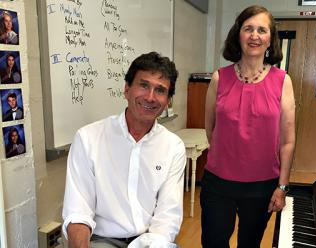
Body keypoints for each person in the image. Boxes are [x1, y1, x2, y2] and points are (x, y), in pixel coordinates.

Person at [62, 52, 186, 248]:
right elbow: (78, 212)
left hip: (150, 240)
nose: (150, 97)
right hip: (101, 240)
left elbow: (167, 216)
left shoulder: (173, 147)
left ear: (168, 101)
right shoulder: (88, 138)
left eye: (160, 90)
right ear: (127, 89)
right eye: (143, 85)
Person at [201, 5, 295, 248]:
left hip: (262, 186)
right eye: (248, 29)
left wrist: (282, 187)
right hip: (218, 183)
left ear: (270, 39)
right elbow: (210, 128)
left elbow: (287, 141)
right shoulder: (219, 78)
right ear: (238, 34)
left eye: (262, 30)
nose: (255, 35)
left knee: (249, 244)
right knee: (213, 243)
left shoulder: (283, 81)